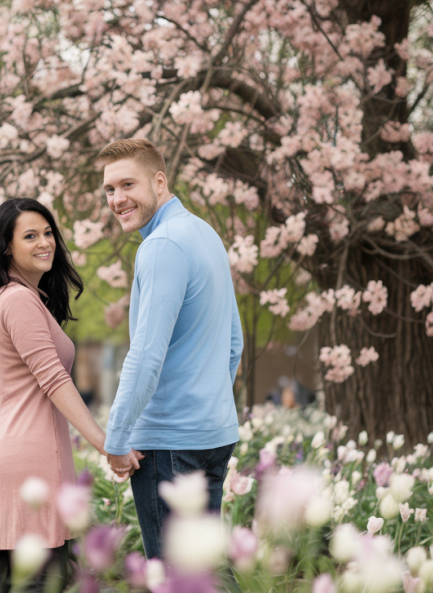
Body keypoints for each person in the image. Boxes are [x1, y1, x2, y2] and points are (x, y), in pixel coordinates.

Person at [96, 139, 244, 560]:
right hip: (212, 435)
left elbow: (146, 355)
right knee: (205, 573)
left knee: (176, 577)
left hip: (169, 444)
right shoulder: (205, 234)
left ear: (159, 181)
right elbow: (235, 341)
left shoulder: (161, 246)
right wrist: (208, 400)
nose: (117, 198)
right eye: (109, 189)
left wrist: (118, 438)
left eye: (128, 184)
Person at [0, 198, 111, 593]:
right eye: (30, 236)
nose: (45, 242)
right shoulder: (19, 300)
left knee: (14, 582)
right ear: (7, 246)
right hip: (31, 467)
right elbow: (54, 379)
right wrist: (104, 443)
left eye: (47, 233)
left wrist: (10, 425)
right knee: (42, 582)